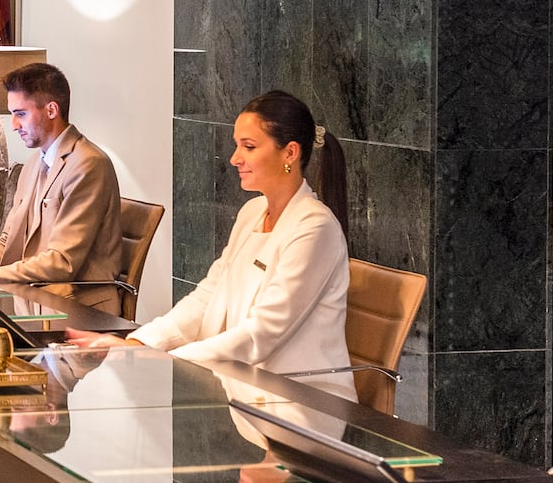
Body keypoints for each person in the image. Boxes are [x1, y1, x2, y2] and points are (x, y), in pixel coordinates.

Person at [69, 91, 356, 400]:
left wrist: (164, 359)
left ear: (290, 153)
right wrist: (139, 344)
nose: (235, 158)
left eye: (248, 147)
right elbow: (206, 297)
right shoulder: (252, 213)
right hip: (243, 390)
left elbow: (263, 333)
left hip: (301, 403)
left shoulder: (315, 228)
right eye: (237, 146)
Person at [0, 63, 125, 308]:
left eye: (21, 114)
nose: (14, 125)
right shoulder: (35, 163)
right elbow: (7, 240)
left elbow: (61, 262)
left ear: (51, 110)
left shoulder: (88, 165)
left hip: (78, 306)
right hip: (33, 297)